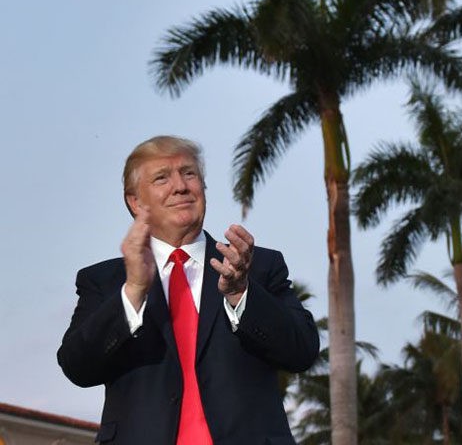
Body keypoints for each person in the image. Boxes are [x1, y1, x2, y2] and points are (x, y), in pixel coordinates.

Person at [57, 135, 319, 445]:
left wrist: (240, 293)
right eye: (162, 178)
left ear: (203, 188)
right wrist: (134, 292)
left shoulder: (255, 266)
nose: (180, 186)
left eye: (189, 173)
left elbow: (302, 351)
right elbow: (78, 368)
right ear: (136, 202)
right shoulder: (105, 280)